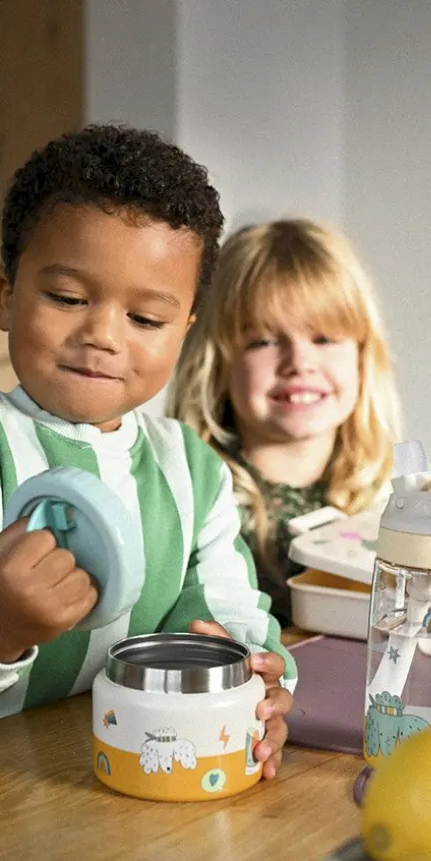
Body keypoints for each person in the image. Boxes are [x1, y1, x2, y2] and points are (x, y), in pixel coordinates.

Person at [0, 125, 297, 779]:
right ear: (7, 297)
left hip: (68, 768)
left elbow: (224, 608)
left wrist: (252, 673)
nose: (102, 335)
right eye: (67, 298)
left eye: (146, 319)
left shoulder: (194, 473)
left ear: (184, 331)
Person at [166, 219, 403, 626]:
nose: (299, 363)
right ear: (218, 363)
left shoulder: (410, 499)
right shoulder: (186, 506)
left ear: (363, 356)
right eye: (264, 341)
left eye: (324, 339)